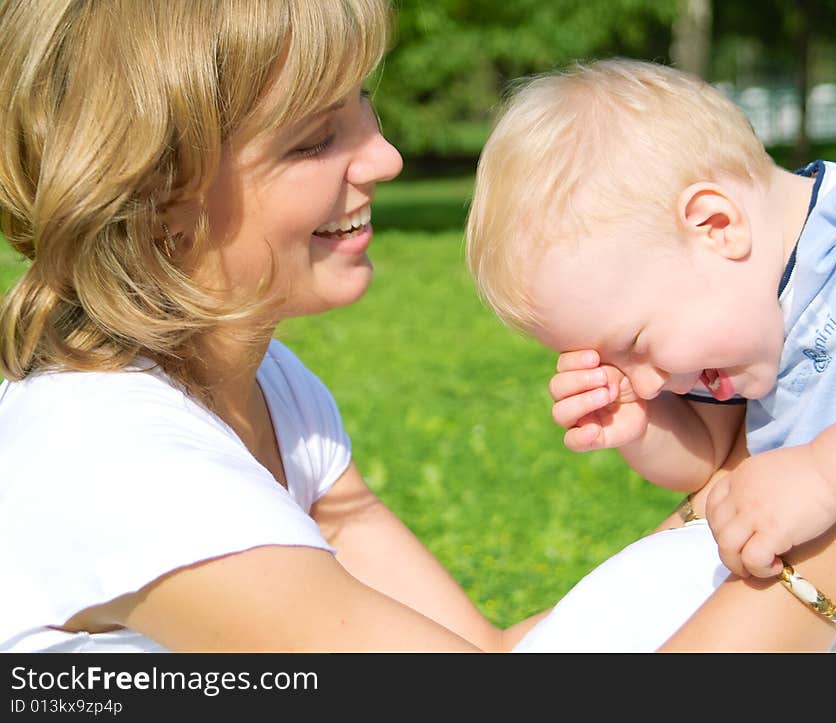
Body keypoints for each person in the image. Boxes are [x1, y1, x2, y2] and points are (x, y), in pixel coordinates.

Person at [0, 0, 555, 653]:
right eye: (316, 139)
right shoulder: (122, 462)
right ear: (155, 202)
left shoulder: (270, 388)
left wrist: (703, 502)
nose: (385, 157)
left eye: (363, 101)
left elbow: (484, 648)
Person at [466, 58, 836, 650]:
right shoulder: (737, 331)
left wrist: (822, 477)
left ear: (715, 225)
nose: (650, 380)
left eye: (634, 344)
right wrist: (645, 427)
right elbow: (710, 467)